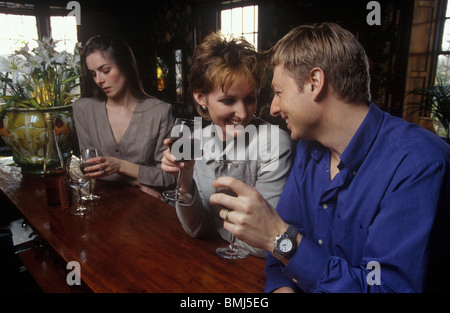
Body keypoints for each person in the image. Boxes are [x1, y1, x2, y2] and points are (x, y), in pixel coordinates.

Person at [210, 22, 450, 292]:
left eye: (279, 93)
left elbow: (387, 288)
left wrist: (280, 239)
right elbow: (279, 253)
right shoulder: (308, 147)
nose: (274, 108)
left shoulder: (418, 164)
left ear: (315, 83)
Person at [161, 32, 293, 258]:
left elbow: (267, 243)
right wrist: (184, 176)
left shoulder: (275, 144)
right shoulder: (195, 140)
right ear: (201, 97)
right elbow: (196, 229)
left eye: (249, 98)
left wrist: (218, 228)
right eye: (228, 100)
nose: (242, 114)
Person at [73, 35, 175, 200]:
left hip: (149, 203)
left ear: (126, 66)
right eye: (93, 74)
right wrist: (135, 182)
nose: (99, 80)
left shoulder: (160, 112)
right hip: (103, 201)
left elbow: (169, 176)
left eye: (105, 71)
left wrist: (120, 165)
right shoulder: (83, 109)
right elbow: (90, 169)